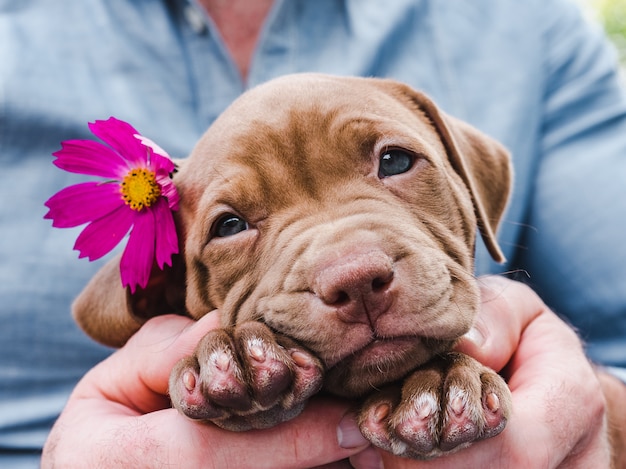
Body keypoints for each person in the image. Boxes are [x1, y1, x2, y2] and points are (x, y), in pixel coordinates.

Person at [1, 0, 624, 467]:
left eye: (395, 162)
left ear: (468, 179)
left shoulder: (524, 20)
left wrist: (584, 421)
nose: (350, 266)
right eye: (232, 224)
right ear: (165, 291)